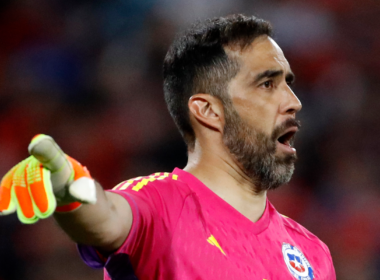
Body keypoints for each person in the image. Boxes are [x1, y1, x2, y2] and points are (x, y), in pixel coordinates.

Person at [0, 14, 336, 279]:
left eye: (288, 84)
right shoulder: (159, 206)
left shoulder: (313, 254)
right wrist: (73, 191)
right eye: (267, 84)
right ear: (208, 111)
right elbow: (106, 216)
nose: (294, 102)